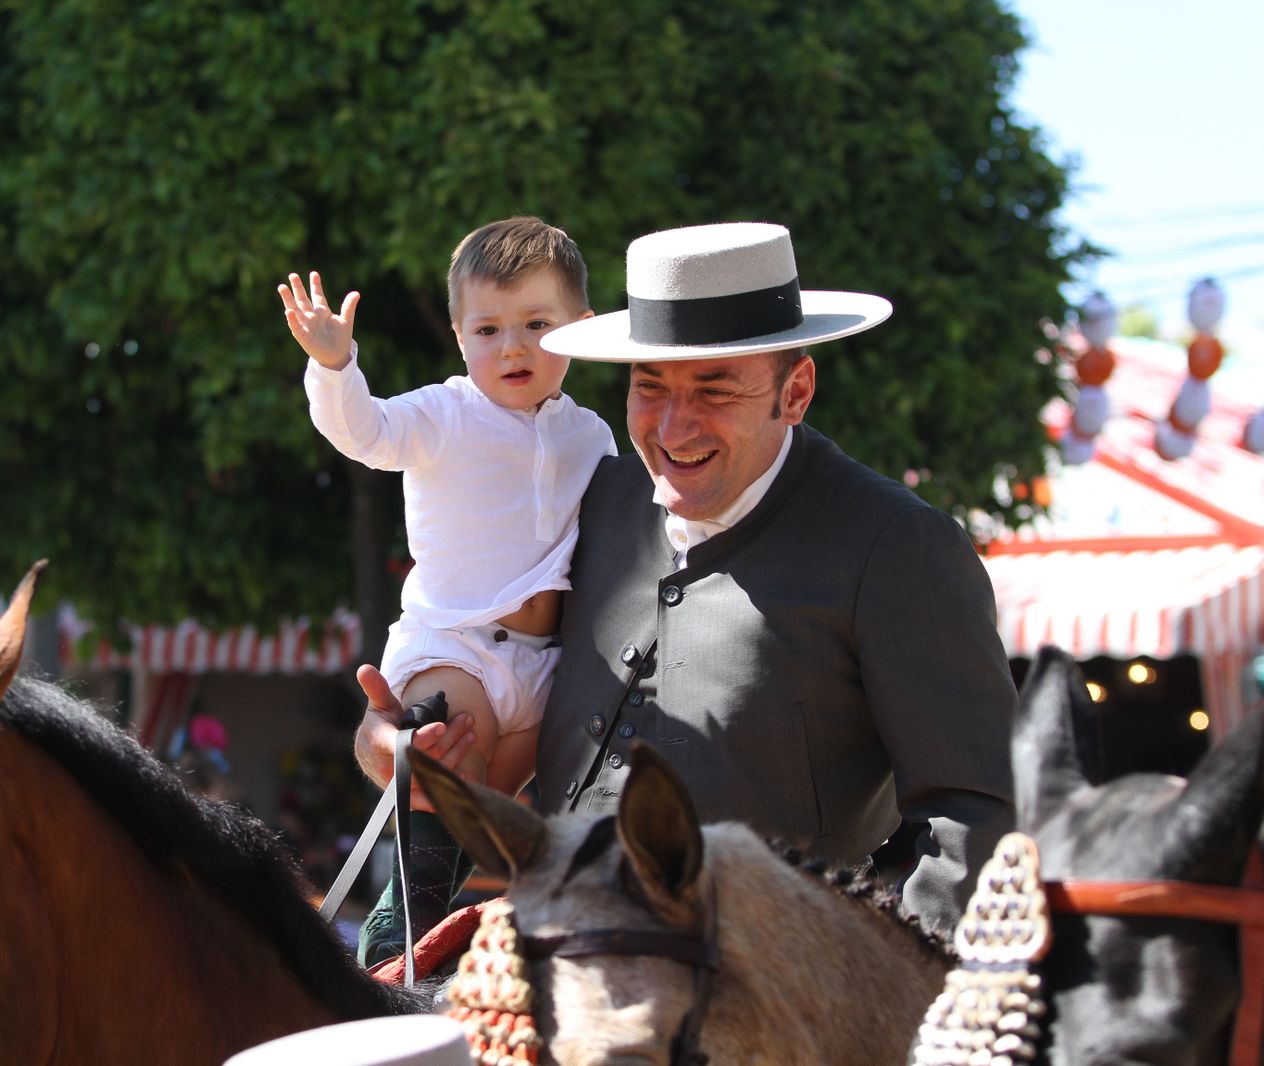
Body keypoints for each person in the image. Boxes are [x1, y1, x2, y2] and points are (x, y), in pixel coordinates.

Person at [354, 221, 1016, 935]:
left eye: (715, 388)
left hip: (774, 987)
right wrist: (390, 745)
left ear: (795, 391)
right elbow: (492, 681)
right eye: (649, 386)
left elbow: (979, 816)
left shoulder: (896, 546)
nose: (674, 428)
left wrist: (873, 984)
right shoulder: (593, 503)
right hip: (555, 966)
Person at [279, 217, 617, 965]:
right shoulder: (442, 413)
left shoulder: (593, 436)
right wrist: (335, 366)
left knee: (484, 824)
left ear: (583, 330)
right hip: (456, 646)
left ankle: (439, 945)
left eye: (537, 325)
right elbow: (364, 433)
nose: (512, 347)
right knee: (448, 780)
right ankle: (392, 949)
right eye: (488, 329)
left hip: (546, 666)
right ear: (461, 338)